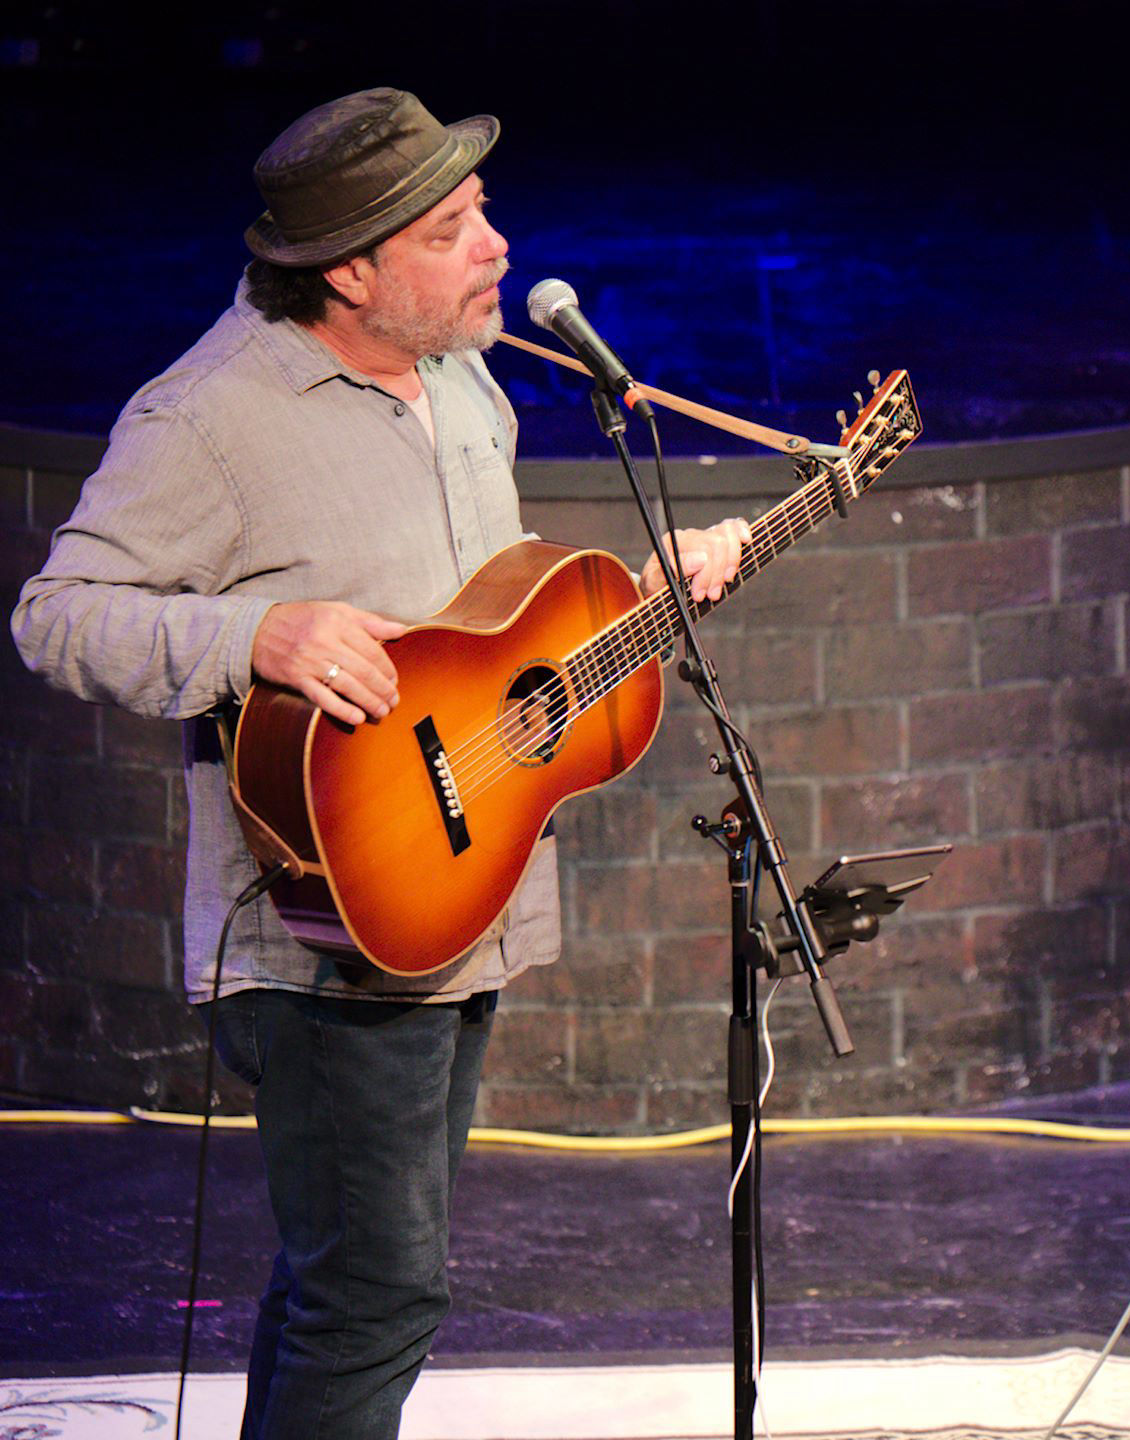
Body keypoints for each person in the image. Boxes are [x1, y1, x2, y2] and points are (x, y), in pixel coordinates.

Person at [11, 88, 752, 1439]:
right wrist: (257, 632)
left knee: (348, 1287)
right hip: (323, 933)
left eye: (482, 216)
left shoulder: (464, 382)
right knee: (379, 1292)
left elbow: (489, 633)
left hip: (452, 889)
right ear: (350, 270)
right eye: (453, 228)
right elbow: (57, 615)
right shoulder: (206, 420)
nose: (498, 248)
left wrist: (644, 603)